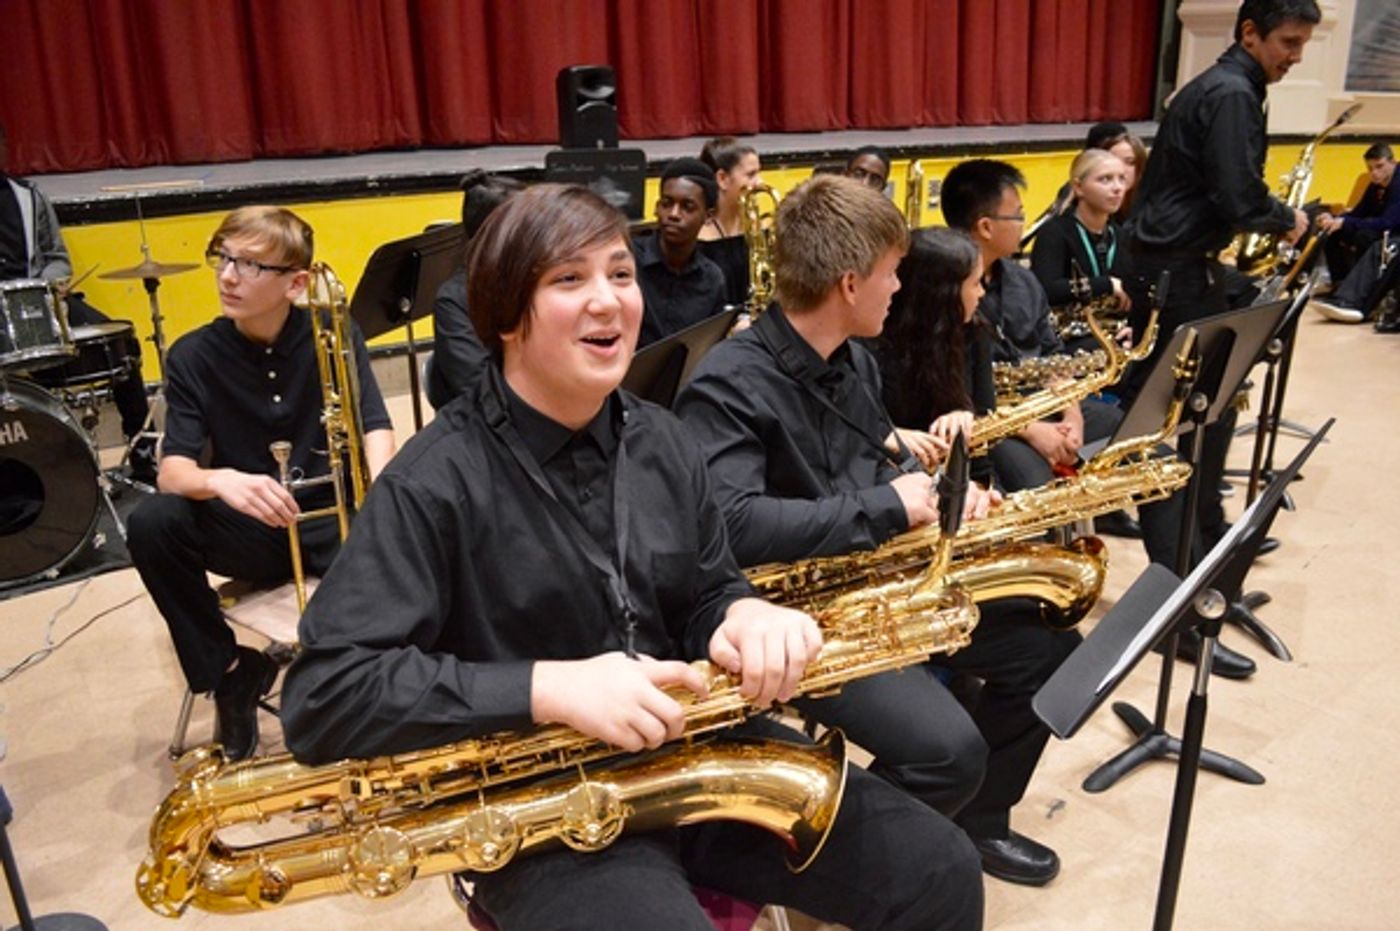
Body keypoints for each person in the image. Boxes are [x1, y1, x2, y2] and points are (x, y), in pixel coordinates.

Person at [279, 183, 984, 930]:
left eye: (620, 273)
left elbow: (708, 582)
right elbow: (325, 695)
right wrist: (547, 688)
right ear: (506, 313)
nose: (610, 300)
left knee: (941, 870)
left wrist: (741, 612)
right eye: (568, 279)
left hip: (698, 751)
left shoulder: (663, 438)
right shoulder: (432, 480)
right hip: (545, 802)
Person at [676, 174, 1071, 888]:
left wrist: (947, 496)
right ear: (851, 283)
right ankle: (843, 868)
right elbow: (732, 523)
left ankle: (972, 822)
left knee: (1050, 652)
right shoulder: (729, 383)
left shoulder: (852, 354)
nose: (901, 288)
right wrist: (891, 506)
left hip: (872, 571)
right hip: (797, 614)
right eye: (892, 273)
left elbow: (868, 459)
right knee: (948, 750)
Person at [126, 206, 396, 762]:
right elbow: (173, 471)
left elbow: (374, 424)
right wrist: (222, 480)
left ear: (295, 283)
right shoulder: (193, 354)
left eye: (249, 265)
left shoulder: (332, 330)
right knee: (152, 523)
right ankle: (230, 673)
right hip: (252, 529)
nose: (227, 276)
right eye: (222, 258)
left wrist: (381, 504)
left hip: (334, 519)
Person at [1123, 0, 1318, 546]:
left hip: (1182, 267)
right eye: (1289, 43)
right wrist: (1288, 219)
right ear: (1251, 33)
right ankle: (1187, 553)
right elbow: (1237, 196)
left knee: (1213, 406)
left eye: (1303, 45)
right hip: (1174, 274)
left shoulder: (1230, 86)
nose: (1296, 57)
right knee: (1187, 415)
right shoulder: (1231, 92)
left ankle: (1207, 535)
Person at [0, 121, 154, 478]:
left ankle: (143, 452)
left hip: (38, 303)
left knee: (120, 343)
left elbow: (57, 257)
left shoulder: (28, 197)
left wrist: (46, 286)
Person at [426, 169, 524, 409]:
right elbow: (475, 385)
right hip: (485, 423)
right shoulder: (454, 300)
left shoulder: (536, 280)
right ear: (495, 237)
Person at [1030, 148, 1135, 320]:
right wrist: (1106, 284)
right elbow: (1046, 289)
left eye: (1121, 179)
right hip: (1066, 333)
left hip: (1114, 329)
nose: (1117, 188)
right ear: (1078, 187)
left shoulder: (1121, 234)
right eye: (1105, 179)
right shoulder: (1054, 232)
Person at [635, 158, 728, 346]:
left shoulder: (712, 279)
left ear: (708, 217)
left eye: (687, 207)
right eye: (666, 203)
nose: (674, 214)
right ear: (656, 208)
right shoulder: (629, 261)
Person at [1311, 143, 1400, 323]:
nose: (1374, 172)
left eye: (1380, 166)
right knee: (1334, 233)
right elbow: (1358, 213)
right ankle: (1340, 285)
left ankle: (1359, 296)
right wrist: (1335, 219)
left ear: (1393, 162)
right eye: (1370, 168)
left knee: (1364, 238)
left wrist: (1346, 222)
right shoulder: (1375, 186)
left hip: (1393, 233)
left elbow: (1389, 222)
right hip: (1381, 230)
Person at [698, 136, 763, 307]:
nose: (760, 182)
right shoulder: (699, 238)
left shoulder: (757, 227)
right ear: (722, 179)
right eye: (751, 175)